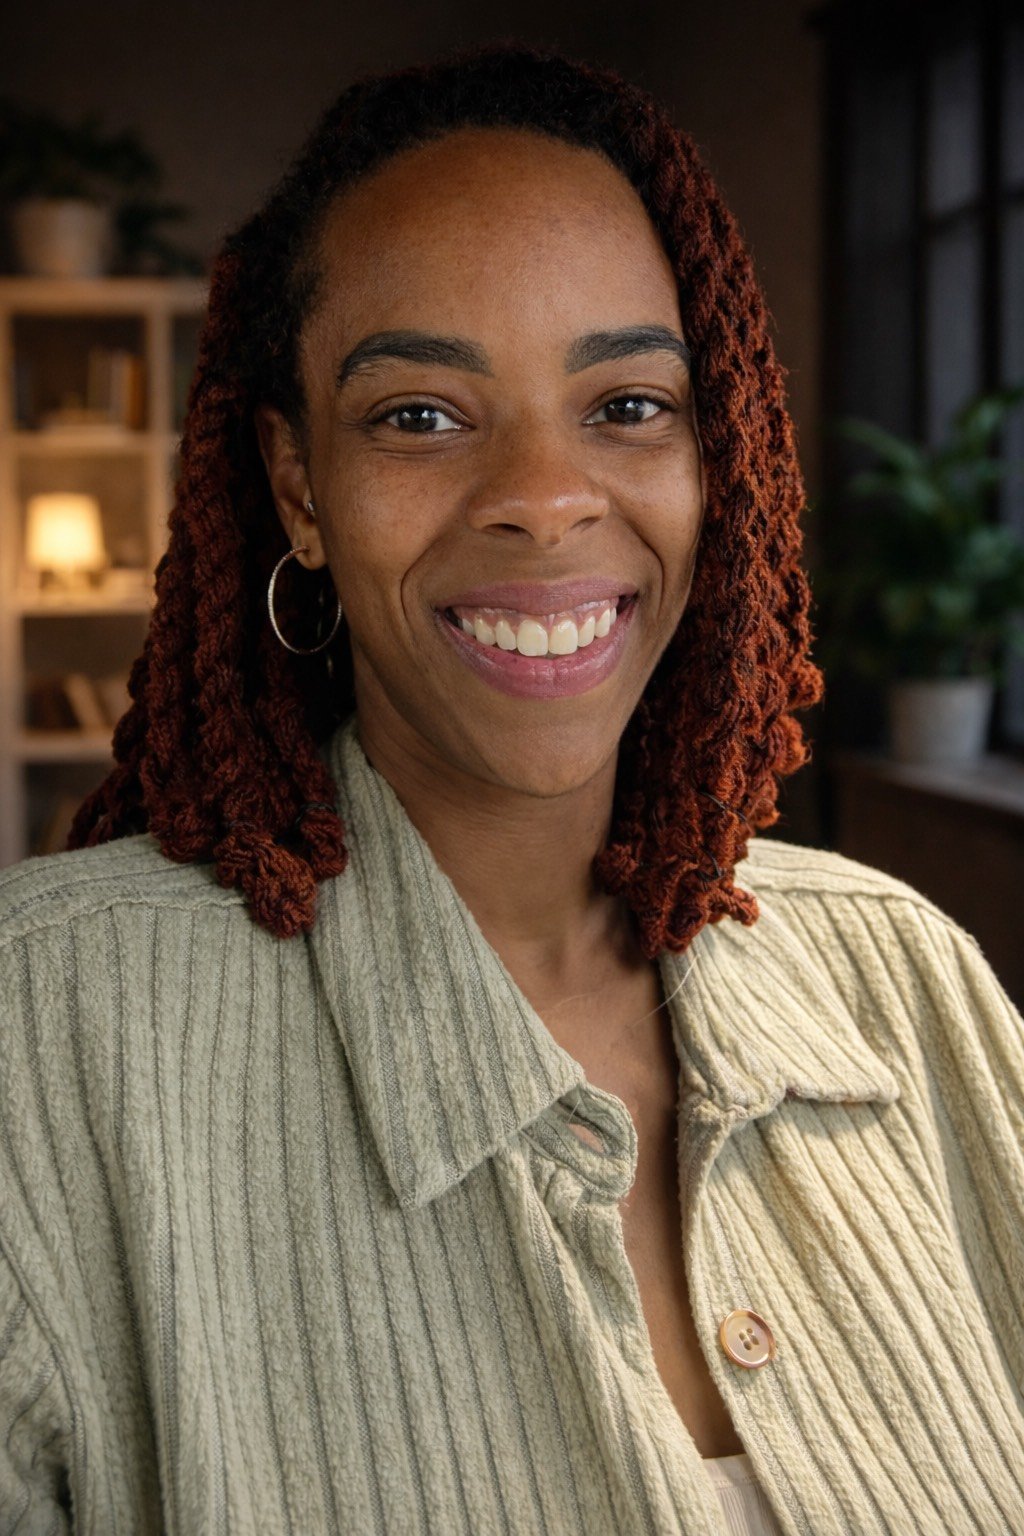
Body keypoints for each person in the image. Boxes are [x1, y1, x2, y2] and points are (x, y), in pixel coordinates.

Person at [1, 38, 1022, 1536]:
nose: (546, 495)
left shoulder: (912, 981)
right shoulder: (47, 1035)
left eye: (626, 406)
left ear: (712, 453)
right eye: (420, 413)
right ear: (299, 486)